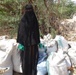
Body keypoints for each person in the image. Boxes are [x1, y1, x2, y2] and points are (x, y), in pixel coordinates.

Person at [17, 4, 40, 75]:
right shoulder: (33, 19)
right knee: (32, 59)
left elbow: (21, 32)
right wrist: (37, 41)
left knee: (26, 59)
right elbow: (36, 32)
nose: (29, 12)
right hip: (32, 44)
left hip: (26, 44)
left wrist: (20, 41)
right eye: (28, 10)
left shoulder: (23, 19)